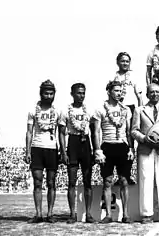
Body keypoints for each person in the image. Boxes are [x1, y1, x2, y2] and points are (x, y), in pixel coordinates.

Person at [131, 83, 159, 224]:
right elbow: (134, 131)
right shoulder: (139, 110)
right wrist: (144, 138)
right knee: (146, 180)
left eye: (157, 92)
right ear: (147, 94)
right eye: (151, 92)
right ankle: (146, 214)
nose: (154, 94)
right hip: (146, 148)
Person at [92, 80, 134, 223]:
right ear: (109, 91)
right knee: (107, 181)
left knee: (124, 181)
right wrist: (97, 150)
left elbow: (129, 131)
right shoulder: (100, 109)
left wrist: (131, 148)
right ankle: (108, 215)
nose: (119, 93)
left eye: (121, 91)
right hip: (107, 146)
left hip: (122, 146)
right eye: (116, 90)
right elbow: (96, 132)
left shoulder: (126, 110)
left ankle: (126, 215)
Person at [58, 83, 95, 224]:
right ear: (72, 94)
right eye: (79, 93)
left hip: (86, 144)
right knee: (72, 182)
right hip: (72, 143)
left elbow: (94, 131)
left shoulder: (89, 110)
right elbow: (61, 133)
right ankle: (72, 214)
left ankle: (89, 213)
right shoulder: (65, 111)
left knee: (87, 182)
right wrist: (63, 152)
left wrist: (94, 150)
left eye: (83, 93)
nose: (81, 96)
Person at [24, 80, 60, 223]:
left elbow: (61, 133)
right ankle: (38, 214)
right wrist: (27, 151)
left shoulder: (57, 112)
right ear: (41, 93)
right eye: (46, 93)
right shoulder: (32, 111)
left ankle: (50, 214)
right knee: (37, 182)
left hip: (51, 148)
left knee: (51, 183)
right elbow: (29, 132)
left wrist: (62, 152)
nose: (49, 96)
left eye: (51, 93)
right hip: (37, 148)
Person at [113, 52, 143, 184]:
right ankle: (120, 175)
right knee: (120, 140)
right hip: (118, 109)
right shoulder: (115, 78)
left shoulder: (134, 77)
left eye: (127, 61)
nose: (125, 63)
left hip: (131, 108)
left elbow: (140, 96)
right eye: (122, 61)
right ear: (117, 62)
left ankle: (127, 174)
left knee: (131, 141)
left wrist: (141, 112)